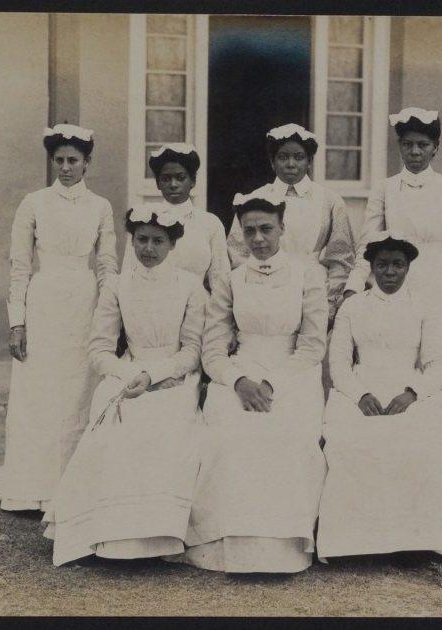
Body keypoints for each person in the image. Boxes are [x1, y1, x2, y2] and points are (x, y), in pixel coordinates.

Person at [338, 106, 442, 559]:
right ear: (399, 147)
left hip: (440, 290)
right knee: (396, 385)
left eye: (423, 145)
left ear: (435, 148)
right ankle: (394, 518)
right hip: (395, 286)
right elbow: (366, 247)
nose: (414, 152)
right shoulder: (385, 189)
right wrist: (353, 289)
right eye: (407, 145)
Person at [43, 203, 207, 565]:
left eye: (158, 241)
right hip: (128, 372)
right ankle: (108, 530)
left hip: (174, 375)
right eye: (142, 239)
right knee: (116, 420)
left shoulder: (190, 286)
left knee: (165, 420)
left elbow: (192, 350)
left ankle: (157, 533)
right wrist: (129, 374)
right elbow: (99, 349)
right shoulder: (117, 285)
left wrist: (155, 375)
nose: (148, 248)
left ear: (172, 244)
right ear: (131, 241)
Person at [182, 192, 328, 573]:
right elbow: (213, 350)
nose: (259, 238)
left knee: (287, 435)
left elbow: (313, 346)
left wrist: (272, 383)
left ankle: (282, 547)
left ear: (282, 228)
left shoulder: (308, 275)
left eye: (266, 229)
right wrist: (239, 381)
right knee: (228, 434)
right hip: (241, 371)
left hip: (293, 373)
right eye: (250, 231)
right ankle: (223, 542)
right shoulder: (231, 280)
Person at [0, 124, 117, 513]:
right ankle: (31, 487)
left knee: (79, 389)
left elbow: (107, 265)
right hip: (43, 303)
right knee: (38, 392)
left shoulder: (100, 206)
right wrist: (17, 322)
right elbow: (19, 267)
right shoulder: (33, 203)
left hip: (84, 304)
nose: (65, 168)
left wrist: (111, 316)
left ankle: (72, 486)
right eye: (59, 160)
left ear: (87, 162)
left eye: (73, 160)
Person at [227, 123, 355, 327]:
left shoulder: (329, 200)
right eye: (283, 157)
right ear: (272, 161)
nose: (291, 164)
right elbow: (238, 254)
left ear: (310, 161)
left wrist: (329, 303)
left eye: (299, 157)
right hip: (265, 289)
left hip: (313, 289)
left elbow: (341, 258)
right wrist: (254, 292)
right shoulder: (254, 199)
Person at [121, 143, 230, 291]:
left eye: (180, 178)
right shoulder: (144, 219)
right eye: (166, 179)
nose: (173, 184)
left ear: (193, 181)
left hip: (198, 303)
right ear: (158, 183)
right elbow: (129, 272)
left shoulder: (210, 224)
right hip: (151, 301)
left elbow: (220, 279)